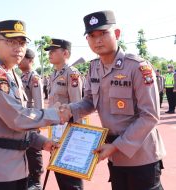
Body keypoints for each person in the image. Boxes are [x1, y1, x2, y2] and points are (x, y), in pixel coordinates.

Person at [60, 10, 166, 190]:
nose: (97, 40)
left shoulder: (137, 67)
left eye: (103, 33)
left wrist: (116, 146)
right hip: (114, 155)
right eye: (92, 36)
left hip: (141, 156)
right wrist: (71, 109)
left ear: (117, 34)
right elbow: (89, 101)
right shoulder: (94, 67)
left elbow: (150, 116)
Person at [0, 20, 70, 190]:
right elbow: (16, 118)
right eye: (11, 42)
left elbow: (15, 128)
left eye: (22, 43)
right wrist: (56, 114)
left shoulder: (12, 74)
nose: (18, 48)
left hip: (15, 167)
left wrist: (42, 142)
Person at [44, 38, 83, 190]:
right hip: (55, 131)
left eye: (54, 51)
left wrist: (76, 139)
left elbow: (77, 106)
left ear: (65, 53)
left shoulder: (72, 74)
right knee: (60, 174)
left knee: (71, 179)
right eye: (49, 51)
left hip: (69, 133)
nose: (50, 54)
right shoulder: (54, 74)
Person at [18, 48, 44, 190]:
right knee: (26, 149)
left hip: (32, 120)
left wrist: (37, 122)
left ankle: (36, 178)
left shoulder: (34, 78)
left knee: (34, 149)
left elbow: (38, 103)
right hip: (23, 120)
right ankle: (29, 176)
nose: (19, 61)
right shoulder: (21, 77)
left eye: (22, 58)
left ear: (30, 60)